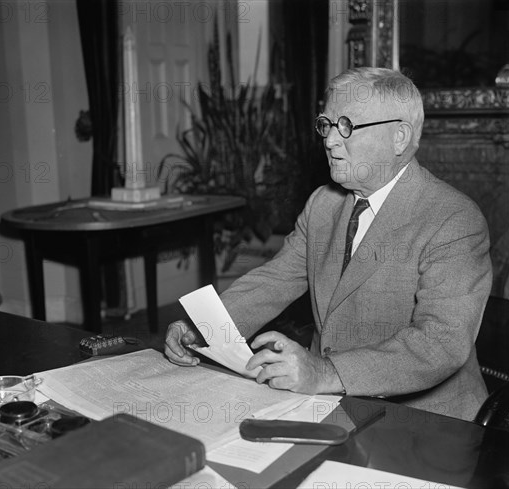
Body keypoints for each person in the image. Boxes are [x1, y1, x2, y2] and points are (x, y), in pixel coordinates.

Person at [165, 67, 492, 421]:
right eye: (327, 124)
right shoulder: (324, 203)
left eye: (347, 126)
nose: (331, 141)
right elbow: (274, 280)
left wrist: (324, 372)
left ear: (399, 137)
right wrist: (203, 329)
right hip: (330, 406)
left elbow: (440, 342)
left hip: (426, 422)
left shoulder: (453, 219)